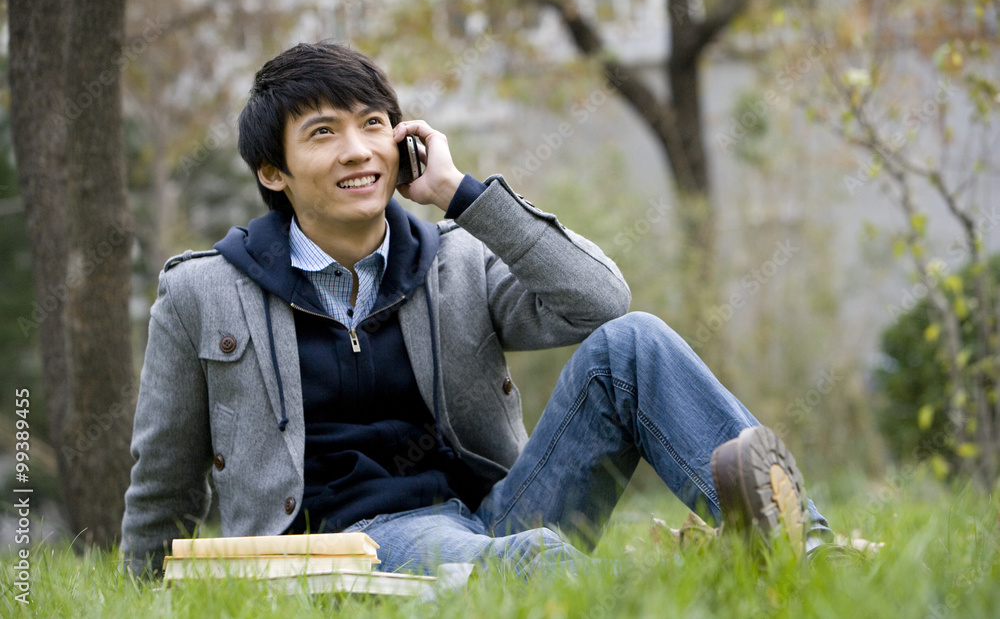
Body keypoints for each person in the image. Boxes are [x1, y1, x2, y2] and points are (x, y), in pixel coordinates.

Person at [120, 41, 832, 578]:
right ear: (272, 173)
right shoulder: (203, 292)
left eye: (373, 124)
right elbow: (164, 475)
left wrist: (461, 192)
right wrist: (140, 588)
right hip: (348, 550)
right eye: (323, 132)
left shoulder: (455, 257)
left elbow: (600, 301)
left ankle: (807, 548)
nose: (359, 149)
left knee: (633, 343)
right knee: (535, 559)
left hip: (489, 517)